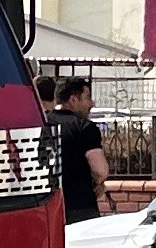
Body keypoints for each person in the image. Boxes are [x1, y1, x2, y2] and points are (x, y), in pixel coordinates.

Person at [44, 74, 109, 221]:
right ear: (73, 99)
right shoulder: (85, 127)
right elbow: (100, 170)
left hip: (46, 206)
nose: (92, 103)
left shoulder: (42, 124)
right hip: (80, 207)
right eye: (87, 97)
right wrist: (99, 183)